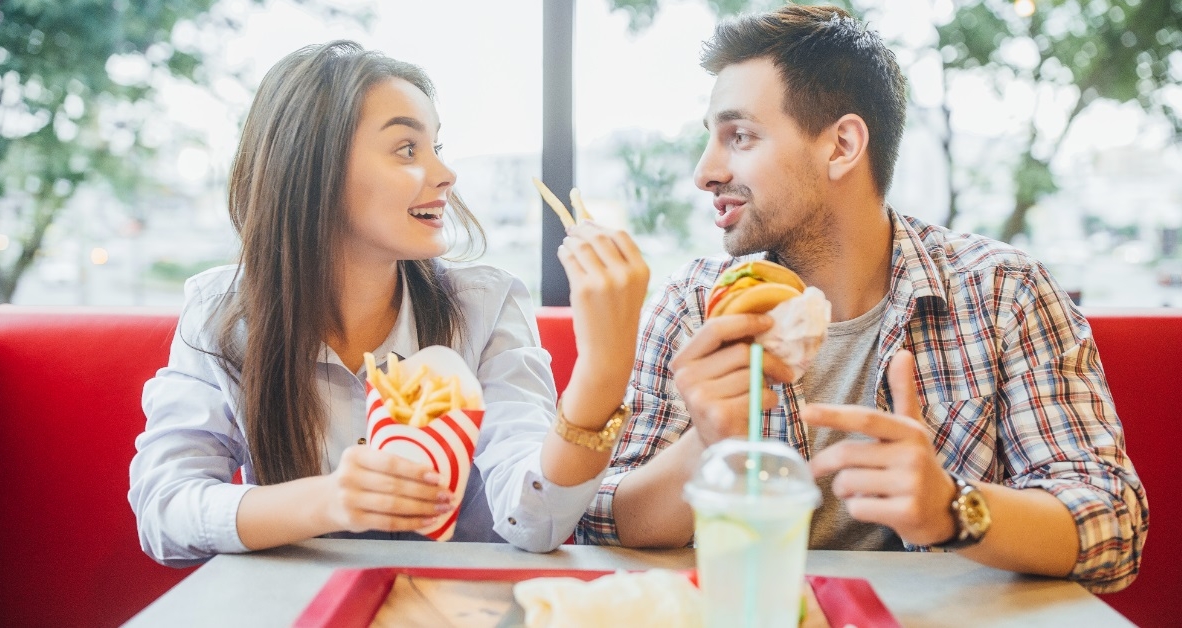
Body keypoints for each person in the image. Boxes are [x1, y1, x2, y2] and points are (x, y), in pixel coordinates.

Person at [576, 5, 1146, 593]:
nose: (705, 172)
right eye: (710, 140)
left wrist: (951, 508)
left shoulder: (1003, 291)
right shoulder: (695, 304)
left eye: (738, 136)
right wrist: (706, 444)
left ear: (842, 144)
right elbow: (599, 520)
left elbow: (1112, 525)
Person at [129, 41, 649, 567]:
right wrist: (328, 501)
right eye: (407, 149)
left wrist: (603, 371)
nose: (446, 173)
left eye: (437, 147)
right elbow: (164, 512)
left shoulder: (485, 306)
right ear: (313, 168)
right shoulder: (221, 312)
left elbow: (538, 522)